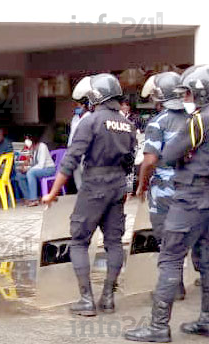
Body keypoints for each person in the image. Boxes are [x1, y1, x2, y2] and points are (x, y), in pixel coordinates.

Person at [125, 65, 209, 342]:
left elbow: (170, 153)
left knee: (170, 258)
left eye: (187, 93)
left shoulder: (201, 119)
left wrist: (184, 155)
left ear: (201, 93)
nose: (185, 99)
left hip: (190, 197)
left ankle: (158, 327)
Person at [42, 73, 136, 317]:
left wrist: (52, 192)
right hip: (117, 186)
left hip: (94, 185)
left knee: (79, 241)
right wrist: (125, 190)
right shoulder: (127, 124)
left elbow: (71, 159)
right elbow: (129, 162)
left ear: (97, 96)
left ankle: (86, 299)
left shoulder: (90, 121)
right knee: (114, 242)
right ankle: (108, 298)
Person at [136, 72, 191, 300]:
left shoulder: (158, 122)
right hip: (189, 186)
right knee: (185, 234)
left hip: (164, 190)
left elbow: (149, 161)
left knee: (165, 238)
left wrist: (141, 185)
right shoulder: (193, 119)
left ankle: (171, 288)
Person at [15, 135, 55, 207]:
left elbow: (41, 165)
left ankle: (34, 200)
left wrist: (28, 169)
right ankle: (28, 198)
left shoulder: (42, 146)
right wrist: (25, 168)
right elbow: (33, 164)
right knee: (19, 175)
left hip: (49, 169)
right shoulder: (32, 149)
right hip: (38, 170)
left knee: (31, 173)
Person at [68, 98, 91, 190]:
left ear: (83, 106)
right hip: (73, 147)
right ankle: (80, 190)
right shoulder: (75, 118)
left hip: (85, 148)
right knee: (76, 170)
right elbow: (72, 134)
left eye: (78, 105)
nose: (76, 107)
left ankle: (88, 190)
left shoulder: (89, 117)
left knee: (84, 169)